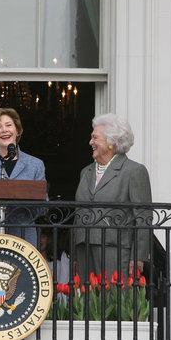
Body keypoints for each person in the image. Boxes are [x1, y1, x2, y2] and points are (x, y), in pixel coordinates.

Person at [73, 113, 152, 282]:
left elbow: (143, 216)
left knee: (113, 302)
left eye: (95, 138)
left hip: (115, 250)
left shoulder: (133, 171)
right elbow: (78, 213)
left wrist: (138, 256)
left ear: (111, 142)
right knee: (88, 302)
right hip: (84, 248)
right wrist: (74, 254)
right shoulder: (85, 172)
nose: (90, 142)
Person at [0, 107, 46, 247]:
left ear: (17, 131)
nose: (4, 130)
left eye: (9, 125)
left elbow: (43, 209)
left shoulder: (35, 164)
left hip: (23, 239)